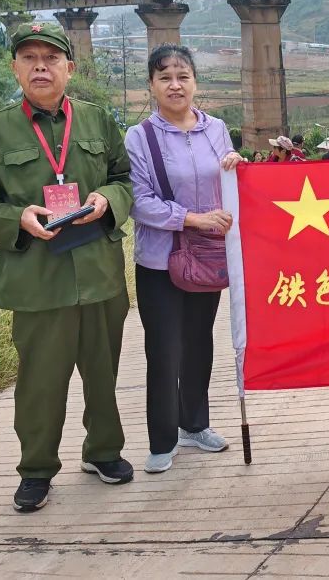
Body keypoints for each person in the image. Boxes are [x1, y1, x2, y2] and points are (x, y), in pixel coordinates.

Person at [0, 22, 135, 513]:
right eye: (30, 58)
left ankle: (103, 452)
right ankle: (36, 470)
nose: (41, 66)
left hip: (99, 273)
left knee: (103, 374)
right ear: (15, 67)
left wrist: (108, 198)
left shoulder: (99, 121)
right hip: (37, 279)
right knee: (40, 381)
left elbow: (125, 179)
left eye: (51, 58)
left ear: (69, 68)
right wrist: (16, 216)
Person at [125, 45, 244, 474]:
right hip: (160, 261)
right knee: (164, 350)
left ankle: (196, 424)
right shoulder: (140, 137)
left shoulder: (217, 129)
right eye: (164, 77)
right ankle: (163, 439)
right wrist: (193, 219)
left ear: (195, 81)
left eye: (183, 76)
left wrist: (236, 166)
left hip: (207, 256)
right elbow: (140, 203)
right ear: (152, 85)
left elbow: (227, 182)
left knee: (199, 344)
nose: (175, 85)